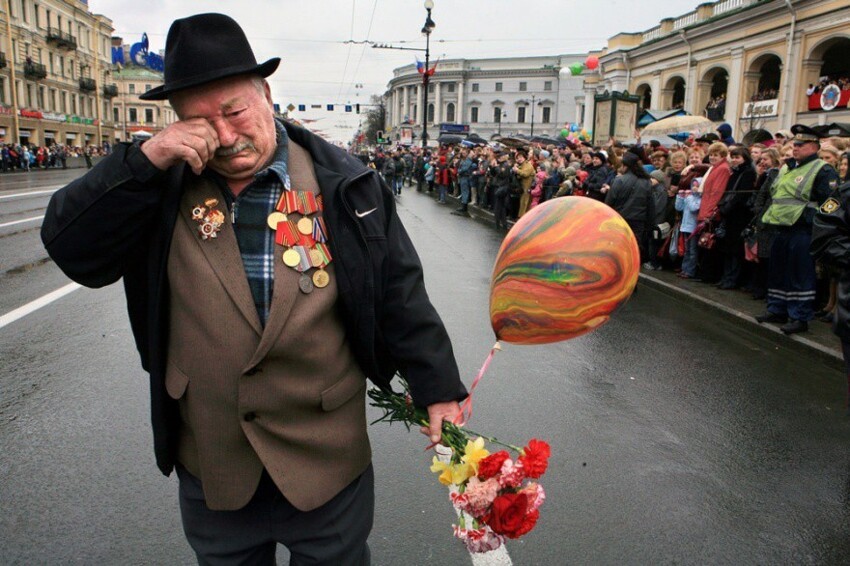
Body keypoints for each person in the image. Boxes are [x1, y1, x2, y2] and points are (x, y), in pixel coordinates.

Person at [41, 13, 466, 565]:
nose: (223, 135)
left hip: (326, 459)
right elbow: (74, 249)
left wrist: (439, 390)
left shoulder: (346, 182)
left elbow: (399, 294)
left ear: (266, 94)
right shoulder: (157, 186)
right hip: (213, 460)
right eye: (197, 120)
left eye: (234, 111)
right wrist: (146, 160)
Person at [756, 124, 840, 334]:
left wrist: (819, 220)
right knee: (778, 271)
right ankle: (777, 309)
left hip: (803, 230)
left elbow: (834, 202)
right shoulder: (787, 167)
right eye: (795, 144)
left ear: (814, 146)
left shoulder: (823, 169)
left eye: (801, 145)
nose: (795, 148)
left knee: (800, 274)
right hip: (781, 227)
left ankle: (799, 316)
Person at [606, 152, 655, 261]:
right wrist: (650, 225)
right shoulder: (647, 182)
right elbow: (650, 205)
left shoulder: (618, 180)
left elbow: (609, 202)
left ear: (626, 166)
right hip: (638, 221)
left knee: (618, 247)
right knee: (633, 247)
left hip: (620, 219)